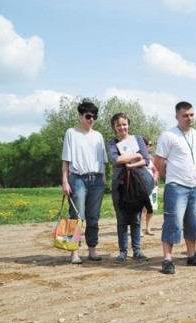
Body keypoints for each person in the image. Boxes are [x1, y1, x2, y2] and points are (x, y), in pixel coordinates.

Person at [154, 101, 196, 274]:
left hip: (195, 185)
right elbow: (158, 161)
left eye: (191, 114)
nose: (189, 118)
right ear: (176, 116)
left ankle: (191, 256)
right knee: (173, 222)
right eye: (185, 115)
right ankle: (167, 259)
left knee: (194, 222)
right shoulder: (168, 136)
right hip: (176, 186)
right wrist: (167, 177)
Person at [61, 100, 107, 265]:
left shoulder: (98, 136)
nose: (91, 120)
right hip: (78, 179)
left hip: (96, 179)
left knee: (93, 217)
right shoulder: (71, 133)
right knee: (76, 217)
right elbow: (66, 160)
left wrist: (103, 179)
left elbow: (103, 160)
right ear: (80, 115)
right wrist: (65, 182)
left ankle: (92, 250)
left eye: (94, 116)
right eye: (88, 116)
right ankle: (74, 253)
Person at [107, 113, 150, 264]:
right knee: (121, 218)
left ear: (128, 125)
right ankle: (122, 252)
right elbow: (116, 159)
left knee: (136, 218)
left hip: (136, 183)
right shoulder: (112, 143)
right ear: (114, 127)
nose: (122, 127)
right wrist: (136, 156)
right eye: (118, 125)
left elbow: (146, 159)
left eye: (124, 124)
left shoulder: (137, 139)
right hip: (119, 183)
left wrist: (132, 163)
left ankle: (137, 250)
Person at [142, 138, 159, 236]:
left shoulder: (152, 158)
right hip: (142, 186)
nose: (150, 147)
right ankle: (138, 228)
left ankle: (148, 228)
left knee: (151, 207)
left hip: (152, 185)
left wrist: (155, 178)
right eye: (148, 145)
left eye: (151, 145)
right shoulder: (139, 157)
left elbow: (156, 170)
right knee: (142, 208)